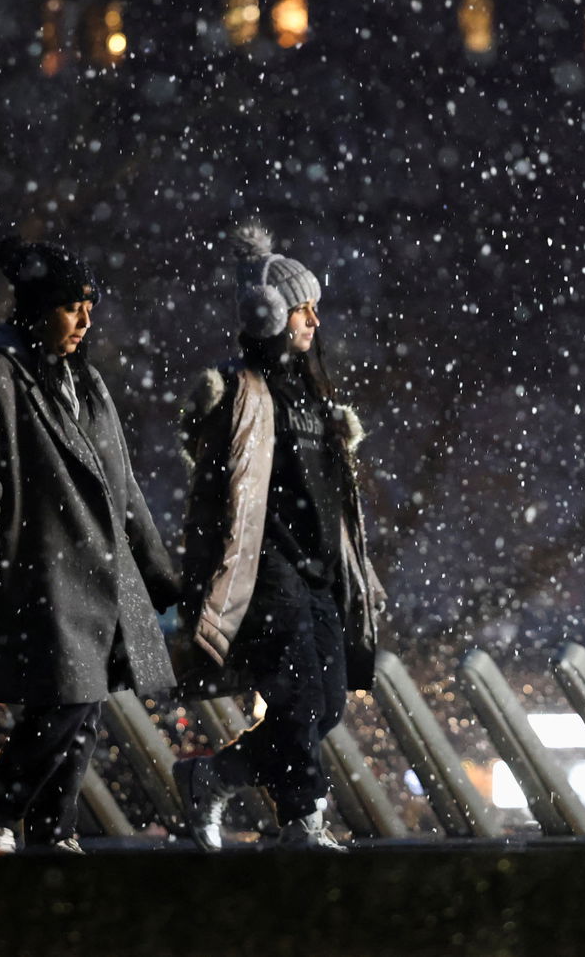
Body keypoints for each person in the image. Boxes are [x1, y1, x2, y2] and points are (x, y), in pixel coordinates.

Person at [0, 237, 180, 854]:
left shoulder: (87, 382)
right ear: (37, 308)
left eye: (90, 305)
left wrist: (158, 574)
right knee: (70, 704)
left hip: (99, 574)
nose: (85, 319)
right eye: (73, 305)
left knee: (83, 711)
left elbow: (123, 488)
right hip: (41, 572)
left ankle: (53, 836)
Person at [172, 220, 386, 851]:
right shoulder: (240, 391)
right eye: (304, 309)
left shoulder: (315, 398)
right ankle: (303, 823)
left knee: (326, 707)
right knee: (294, 703)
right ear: (271, 315)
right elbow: (216, 480)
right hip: (267, 572)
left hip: (319, 573)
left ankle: (212, 776)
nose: (315, 322)